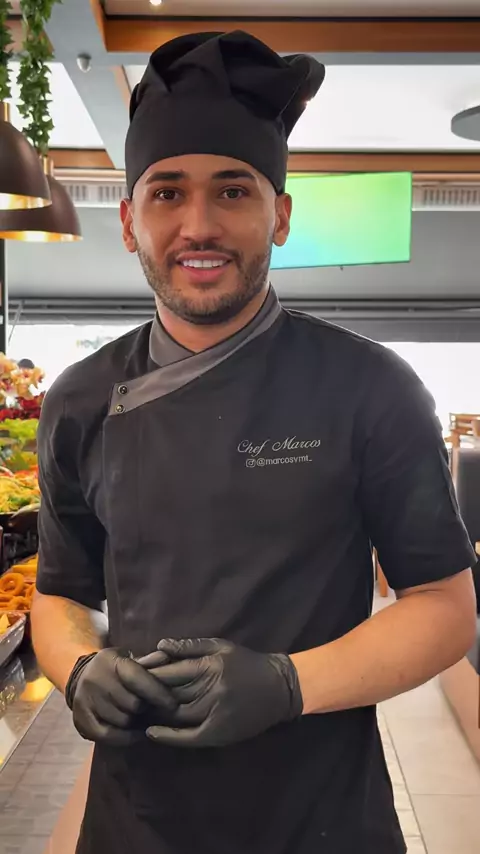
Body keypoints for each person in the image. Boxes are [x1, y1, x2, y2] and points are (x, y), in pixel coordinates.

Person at [31, 30, 477, 854]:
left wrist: (286, 682)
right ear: (128, 222)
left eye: (233, 191)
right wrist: (80, 668)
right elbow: (60, 596)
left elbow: (445, 610)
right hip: (136, 819)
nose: (199, 226)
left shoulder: (371, 387)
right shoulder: (79, 400)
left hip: (321, 816)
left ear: (281, 216)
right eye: (167, 193)